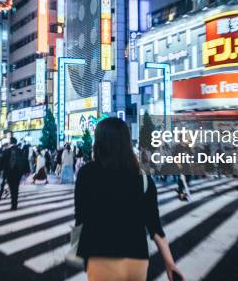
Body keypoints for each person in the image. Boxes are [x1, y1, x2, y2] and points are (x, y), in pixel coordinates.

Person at [74, 118, 184, 281]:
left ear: (99, 142)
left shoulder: (86, 174)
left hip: (101, 257)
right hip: (137, 259)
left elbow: (80, 219)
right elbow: (154, 227)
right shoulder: (143, 178)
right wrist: (170, 263)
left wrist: (79, 256)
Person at [0, 137, 27, 210]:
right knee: (16, 187)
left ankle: (13, 204)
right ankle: (15, 203)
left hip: (9, 172)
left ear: (10, 142)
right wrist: (26, 171)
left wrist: (0, 170)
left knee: (12, 188)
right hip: (18, 173)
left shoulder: (6, 151)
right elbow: (25, 161)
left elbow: (2, 162)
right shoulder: (20, 151)